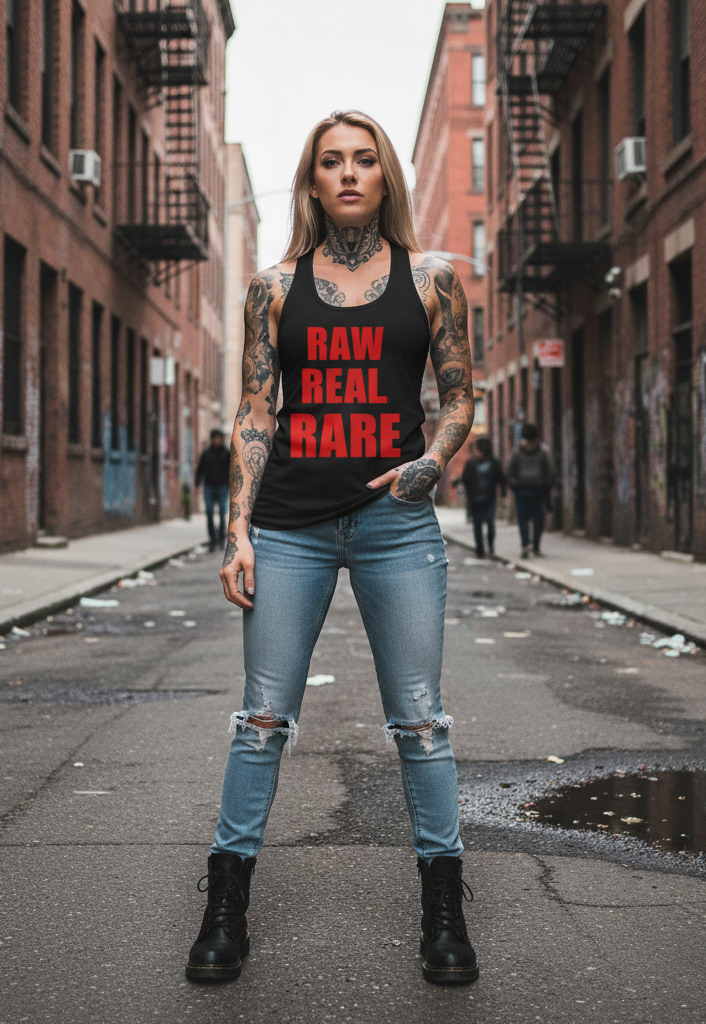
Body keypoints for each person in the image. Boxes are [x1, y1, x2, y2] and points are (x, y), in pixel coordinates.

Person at [185, 110, 478, 987]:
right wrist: (237, 531)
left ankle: (444, 911)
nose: (348, 173)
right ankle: (225, 907)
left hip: (397, 525)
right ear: (312, 181)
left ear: (386, 177)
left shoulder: (432, 279)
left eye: (364, 159)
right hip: (290, 527)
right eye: (330, 161)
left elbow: (460, 396)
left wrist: (430, 463)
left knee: (420, 722)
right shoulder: (273, 288)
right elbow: (255, 413)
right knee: (262, 719)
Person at [507, 422, 554, 558]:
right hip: (538, 491)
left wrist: (516, 485)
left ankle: (525, 545)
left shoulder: (517, 451)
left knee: (523, 519)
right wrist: (545, 485)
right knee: (538, 519)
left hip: (521, 491)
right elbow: (550, 471)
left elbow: (510, 471)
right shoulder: (543, 450)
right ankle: (536, 546)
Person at [455, 437, 506, 558]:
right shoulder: (471, 463)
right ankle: (480, 550)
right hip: (475, 499)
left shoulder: (494, 463)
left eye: (477, 450)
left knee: (490, 524)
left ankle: (491, 546)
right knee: (477, 525)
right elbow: (465, 479)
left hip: (489, 498)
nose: (476, 452)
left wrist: (503, 493)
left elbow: (501, 478)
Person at [195, 429, 231, 550]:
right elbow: (200, 469)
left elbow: (233, 469)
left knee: (222, 512)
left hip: (223, 486)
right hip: (209, 486)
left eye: (219, 438)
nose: (217, 440)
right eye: (215, 438)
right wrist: (197, 483)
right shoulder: (206, 453)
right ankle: (212, 538)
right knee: (209, 512)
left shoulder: (227, 453)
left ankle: (221, 539)